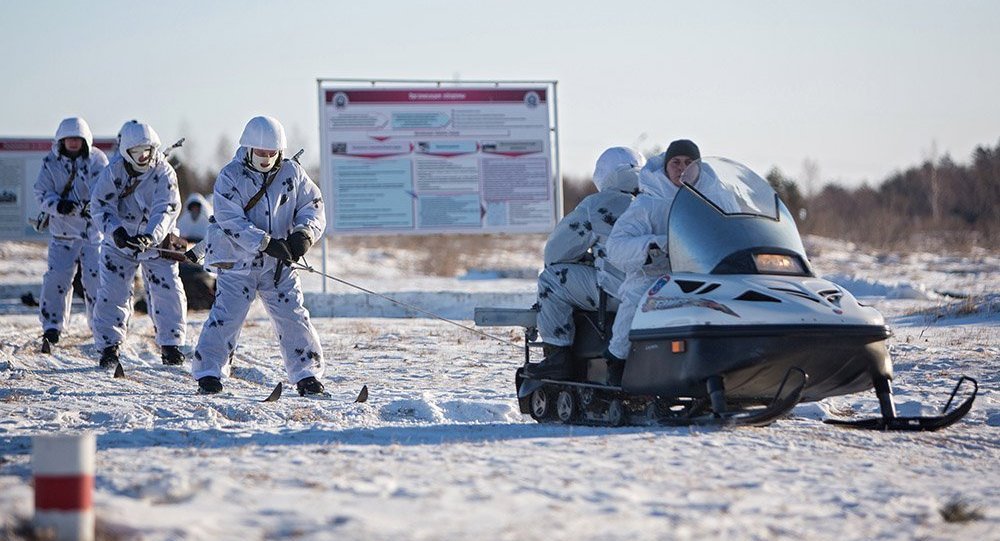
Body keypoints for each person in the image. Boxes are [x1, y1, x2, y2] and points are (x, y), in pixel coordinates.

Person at [191, 116, 327, 396]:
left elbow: (313, 206)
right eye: (261, 153)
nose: (266, 159)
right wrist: (264, 242)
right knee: (226, 317)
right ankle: (209, 373)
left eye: (271, 153)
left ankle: (307, 375)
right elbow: (231, 220)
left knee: (294, 316)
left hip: (280, 265)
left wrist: (304, 235)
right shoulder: (231, 176)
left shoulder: (292, 173)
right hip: (238, 264)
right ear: (248, 149)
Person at [606, 139, 738, 381]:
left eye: (689, 163)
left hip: (709, 274)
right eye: (675, 163)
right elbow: (616, 247)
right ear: (666, 167)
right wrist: (654, 244)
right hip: (656, 275)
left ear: (699, 166)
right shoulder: (648, 203)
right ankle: (618, 365)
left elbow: (738, 230)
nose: (682, 168)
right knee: (637, 299)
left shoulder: (720, 199)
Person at [526, 147, 645, 379]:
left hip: (618, 293)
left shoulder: (600, 204)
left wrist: (588, 261)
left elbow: (555, 254)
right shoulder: (662, 199)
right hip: (660, 290)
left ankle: (557, 357)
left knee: (551, 279)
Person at [90, 120, 187, 367]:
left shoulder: (164, 172)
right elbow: (101, 206)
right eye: (137, 152)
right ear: (126, 152)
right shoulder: (113, 172)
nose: (143, 156)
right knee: (112, 292)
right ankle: (109, 347)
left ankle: (171, 345)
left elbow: (167, 208)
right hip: (119, 243)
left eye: (148, 150)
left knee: (167, 291)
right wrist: (116, 232)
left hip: (156, 243)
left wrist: (151, 236)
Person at [33, 117, 109, 349]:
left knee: (96, 281)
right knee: (57, 279)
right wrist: (58, 205)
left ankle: (100, 326)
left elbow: (106, 189)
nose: (73, 143)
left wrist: (93, 207)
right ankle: (52, 326)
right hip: (63, 233)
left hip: (92, 235)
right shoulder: (50, 163)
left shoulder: (98, 161)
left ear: (85, 140)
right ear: (61, 141)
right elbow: (41, 192)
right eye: (69, 139)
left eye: (77, 139)